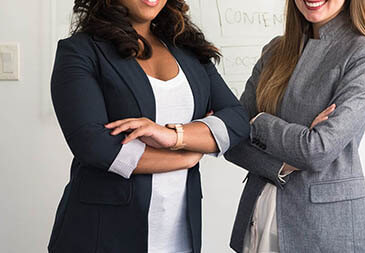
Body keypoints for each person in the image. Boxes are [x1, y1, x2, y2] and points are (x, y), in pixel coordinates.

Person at [47, 0, 249, 252]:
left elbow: (237, 120)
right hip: (102, 235)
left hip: (179, 235)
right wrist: (185, 157)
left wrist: (173, 137)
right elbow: (94, 145)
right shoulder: (80, 51)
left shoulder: (187, 48)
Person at [224, 0, 365, 252]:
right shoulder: (274, 51)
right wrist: (281, 165)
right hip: (258, 214)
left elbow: (317, 149)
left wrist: (258, 121)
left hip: (325, 227)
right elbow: (231, 138)